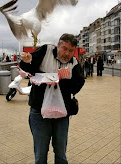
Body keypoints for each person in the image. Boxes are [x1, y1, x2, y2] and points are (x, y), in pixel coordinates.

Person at [20, 33, 85, 164]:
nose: (67, 53)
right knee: (40, 155)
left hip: (62, 113)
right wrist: (26, 61)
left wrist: (59, 81)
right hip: (39, 112)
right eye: (64, 48)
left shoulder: (74, 63)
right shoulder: (46, 50)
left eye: (71, 50)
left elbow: (78, 84)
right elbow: (29, 70)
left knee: (61, 154)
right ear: (58, 45)